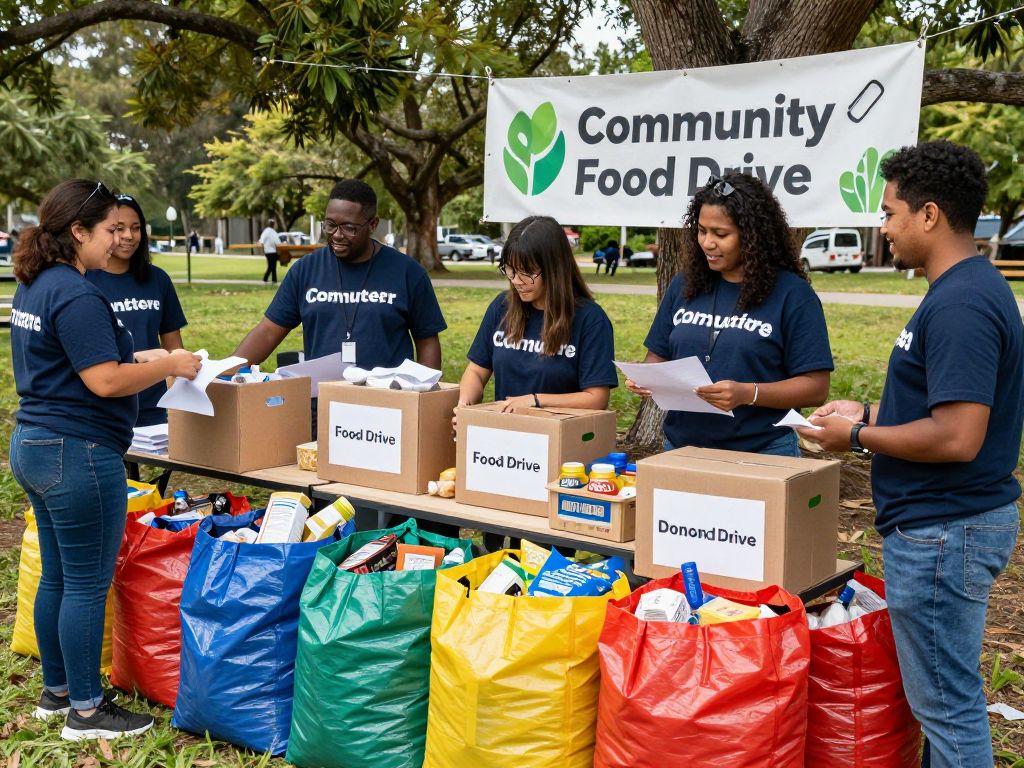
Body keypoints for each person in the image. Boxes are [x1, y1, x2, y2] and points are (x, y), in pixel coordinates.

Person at [799, 141, 1023, 768]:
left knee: (948, 709)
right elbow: (942, 407)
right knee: (943, 704)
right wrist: (864, 413)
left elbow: (957, 437)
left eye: (890, 212)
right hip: (942, 529)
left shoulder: (961, 303)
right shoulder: (963, 290)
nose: (883, 226)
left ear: (928, 215)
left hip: (943, 533)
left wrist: (859, 439)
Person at [8, 179, 202, 741]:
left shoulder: (37, 284)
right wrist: (171, 367)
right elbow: (105, 378)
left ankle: (59, 693)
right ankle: (88, 713)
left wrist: (162, 355)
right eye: (108, 229)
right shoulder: (77, 292)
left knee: (61, 577)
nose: (117, 239)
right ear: (78, 232)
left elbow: (93, 357)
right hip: (79, 453)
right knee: (88, 584)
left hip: (37, 444)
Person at [626, 172, 832, 456]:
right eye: (701, 231)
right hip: (681, 448)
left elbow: (815, 387)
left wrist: (748, 393)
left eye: (721, 234)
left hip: (762, 451)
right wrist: (646, 378)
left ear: (752, 236)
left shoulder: (793, 295)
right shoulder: (684, 285)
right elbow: (657, 356)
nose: (707, 243)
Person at [234, 180, 447, 425]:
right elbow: (269, 330)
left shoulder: (408, 272)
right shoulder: (306, 270)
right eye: (330, 225)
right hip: (323, 405)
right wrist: (226, 372)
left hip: (390, 406)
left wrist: (426, 400)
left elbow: (427, 340)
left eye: (348, 227)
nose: (336, 235)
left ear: (373, 224)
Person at [458, 215, 617, 415]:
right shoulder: (501, 306)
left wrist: (535, 401)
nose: (517, 281)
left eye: (527, 273)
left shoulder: (590, 319)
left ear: (554, 269)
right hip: (504, 433)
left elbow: (597, 398)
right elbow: (476, 371)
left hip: (559, 436)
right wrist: (464, 407)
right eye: (510, 270)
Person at [86, 193, 188, 427]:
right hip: (105, 404)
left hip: (155, 402)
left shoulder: (158, 279)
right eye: (118, 228)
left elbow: (174, 347)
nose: (128, 236)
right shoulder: (85, 281)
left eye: (136, 228)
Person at [259, 217, 279, 283]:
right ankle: (265, 278)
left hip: (271, 251)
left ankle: (274, 279)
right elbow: (277, 243)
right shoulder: (270, 232)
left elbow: (262, 241)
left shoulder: (269, 232)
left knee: (273, 266)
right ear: (272, 224)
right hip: (271, 251)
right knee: (271, 266)